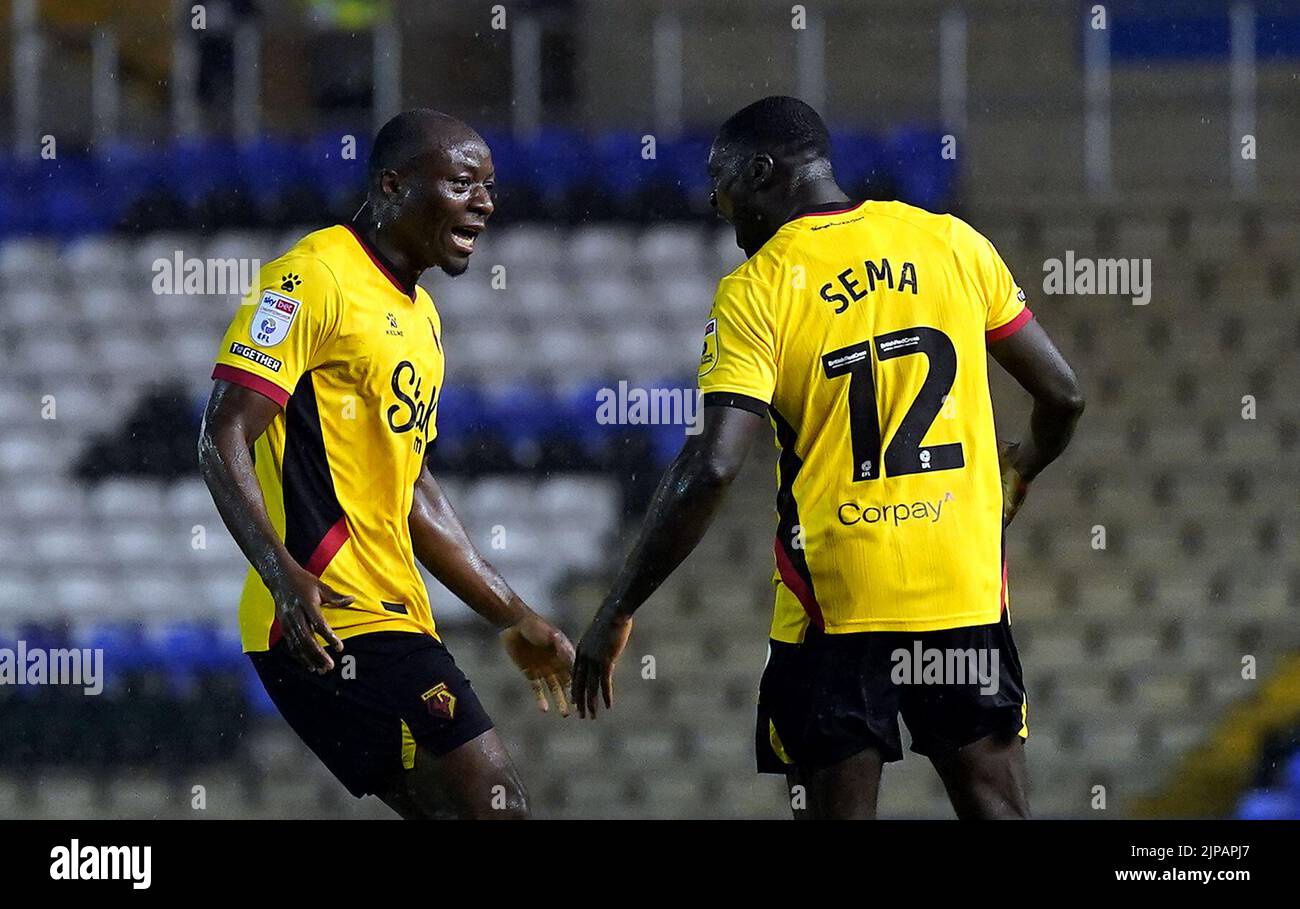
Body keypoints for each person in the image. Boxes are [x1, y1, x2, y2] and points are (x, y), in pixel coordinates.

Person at [571, 96, 1084, 819]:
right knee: (996, 807)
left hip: (836, 600)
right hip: (961, 586)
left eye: (723, 183)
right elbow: (1063, 395)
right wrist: (1021, 467)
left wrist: (620, 603)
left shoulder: (758, 289)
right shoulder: (951, 242)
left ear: (761, 170)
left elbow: (714, 465)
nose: (720, 205)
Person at [198, 109, 573, 819]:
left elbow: (412, 493)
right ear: (394, 185)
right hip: (331, 614)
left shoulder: (423, 318)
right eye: (463, 183)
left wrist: (514, 613)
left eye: (489, 186)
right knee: (499, 806)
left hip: (390, 609)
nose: (485, 202)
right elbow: (222, 436)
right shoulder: (311, 277)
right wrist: (284, 573)